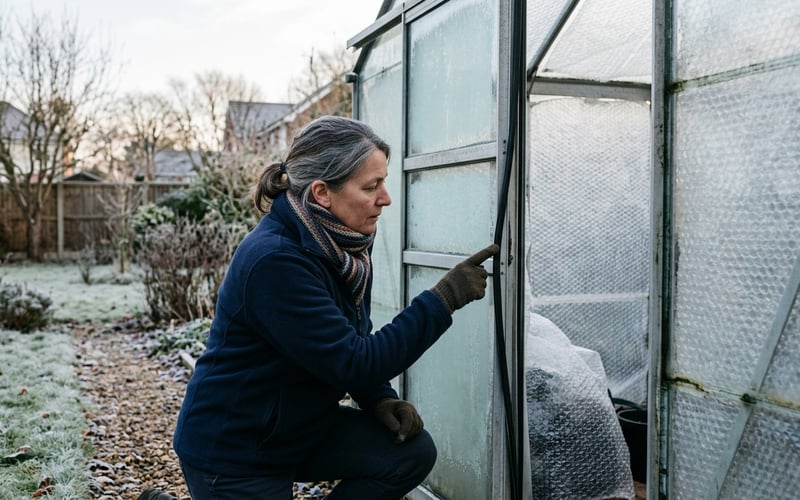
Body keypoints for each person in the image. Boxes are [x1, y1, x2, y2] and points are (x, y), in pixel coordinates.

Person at [172, 115, 498, 499]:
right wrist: (443, 299)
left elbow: (347, 339)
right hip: (237, 449)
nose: (386, 198)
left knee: (411, 452)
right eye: (371, 186)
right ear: (322, 193)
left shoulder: (344, 247)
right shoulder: (275, 262)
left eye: (384, 182)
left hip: (297, 427)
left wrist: (379, 399)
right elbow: (354, 360)